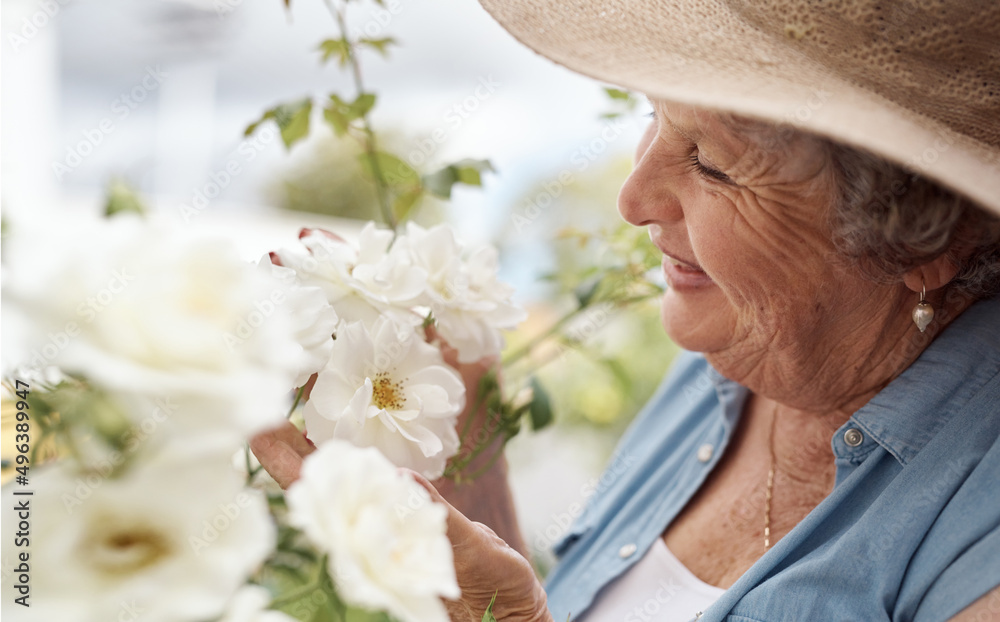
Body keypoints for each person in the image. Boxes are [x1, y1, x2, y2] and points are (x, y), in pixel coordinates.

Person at [253, 1, 1000, 620]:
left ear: (923, 237)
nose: (633, 198)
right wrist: (463, 449)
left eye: (712, 162)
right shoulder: (736, 359)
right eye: (653, 118)